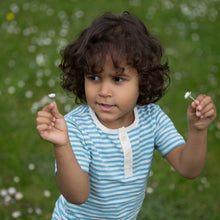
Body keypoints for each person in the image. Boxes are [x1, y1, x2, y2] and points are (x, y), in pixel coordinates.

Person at [36, 12, 217, 219]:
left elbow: (188, 168)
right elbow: (77, 196)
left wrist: (197, 130)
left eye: (118, 79)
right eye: (94, 77)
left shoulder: (152, 118)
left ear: (143, 80)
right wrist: (62, 145)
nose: (104, 90)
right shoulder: (76, 127)